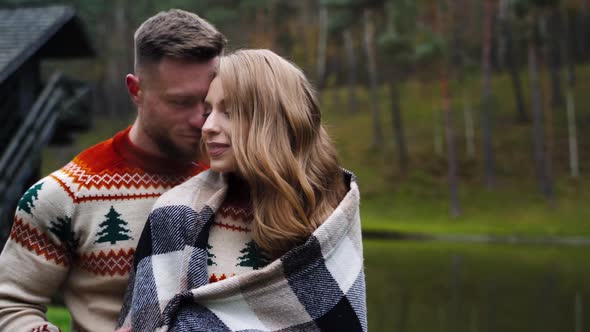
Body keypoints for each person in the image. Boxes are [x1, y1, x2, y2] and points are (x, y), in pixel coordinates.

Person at [0, 9, 226, 332]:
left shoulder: (234, 180)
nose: (198, 119)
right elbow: (10, 305)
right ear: (136, 91)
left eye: (207, 103)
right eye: (180, 102)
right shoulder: (63, 196)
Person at [117, 49, 367, 332]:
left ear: (273, 119)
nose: (207, 126)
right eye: (208, 111)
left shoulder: (333, 216)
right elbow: (141, 325)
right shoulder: (175, 214)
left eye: (230, 112)